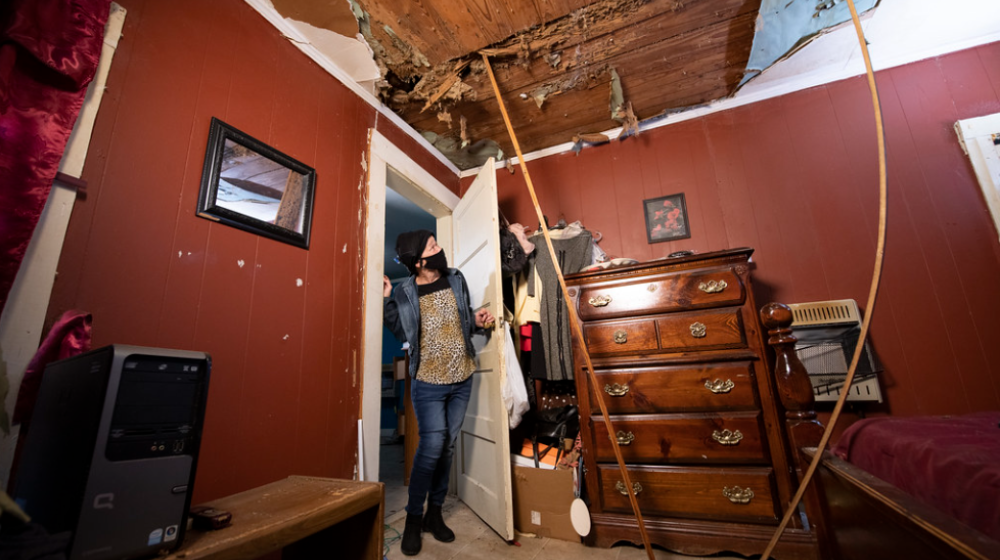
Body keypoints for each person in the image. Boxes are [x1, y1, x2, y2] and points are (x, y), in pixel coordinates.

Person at [383, 230, 494, 556]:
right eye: (433, 246)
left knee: (446, 448)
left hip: (462, 377)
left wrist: (476, 320)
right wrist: (388, 299)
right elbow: (401, 329)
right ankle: (413, 519)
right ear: (418, 261)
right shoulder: (405, 292)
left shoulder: (455, 278)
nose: (440, 248)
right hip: (428, 382)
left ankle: (434, 513)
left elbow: (463, 320)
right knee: (431, 446)